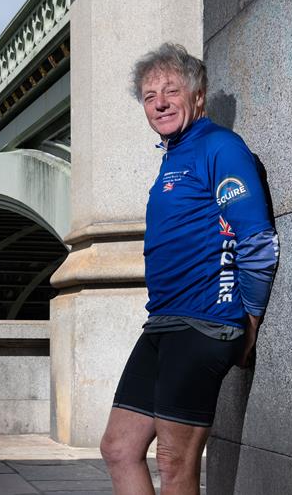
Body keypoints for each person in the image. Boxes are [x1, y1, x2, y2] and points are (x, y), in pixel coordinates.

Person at [99, 43, 279, 495]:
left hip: (205, 322)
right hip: (163, 321)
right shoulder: (172, 157)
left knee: (174, 461)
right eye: (148, 95)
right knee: (119, 447)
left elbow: (257, 239)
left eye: (170, 90)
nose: (159, 102)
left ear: (197, 95)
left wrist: (250, 320)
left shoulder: (220, 147)